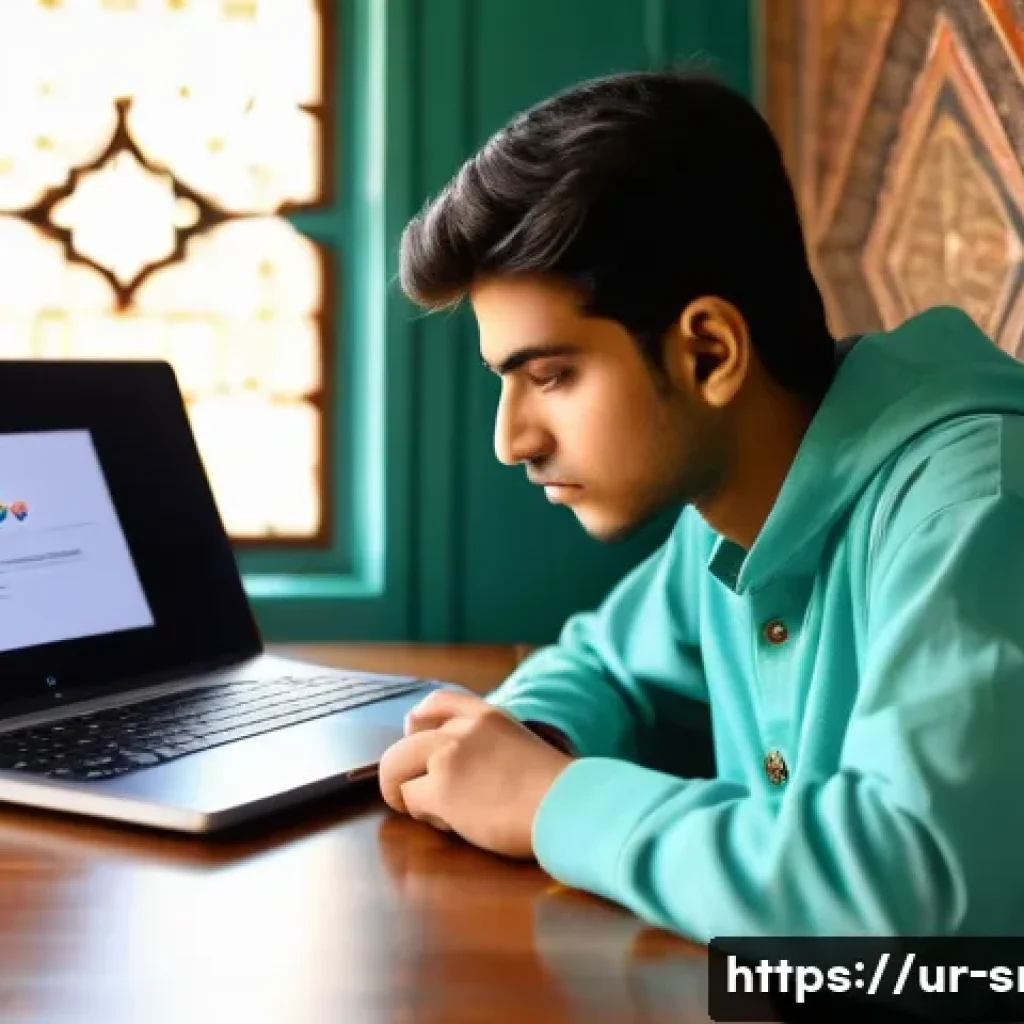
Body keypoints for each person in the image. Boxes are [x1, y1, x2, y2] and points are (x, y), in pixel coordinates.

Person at [377, 67, 1024, 941]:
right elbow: (603, 667)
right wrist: (525, 745)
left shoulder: (974, 507)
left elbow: (911, 896)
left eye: (551, 376)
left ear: (710, 353)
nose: (511, 439)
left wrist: (550, 801)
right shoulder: (732, 505)